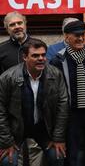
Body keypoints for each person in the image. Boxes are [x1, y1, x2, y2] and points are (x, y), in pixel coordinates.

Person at [0, 38, 69, 166]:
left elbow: (63, 106)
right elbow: (0, 110)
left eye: (43, 55)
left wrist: (58, 138)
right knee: (7, 161)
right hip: (15, 129)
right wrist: (6, 142)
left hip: (44, 128)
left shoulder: (55, 74)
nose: (41, 58)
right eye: (35, 55)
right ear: (25, 57)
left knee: (58, 156)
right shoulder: (8, 77)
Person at [50, 20, 85, 166]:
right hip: (71, 115)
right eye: (76, 35)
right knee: (73, 154)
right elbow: (54, 92)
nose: (80, 38)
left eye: (82, 35)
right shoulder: (58, 60)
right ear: (66, 37)